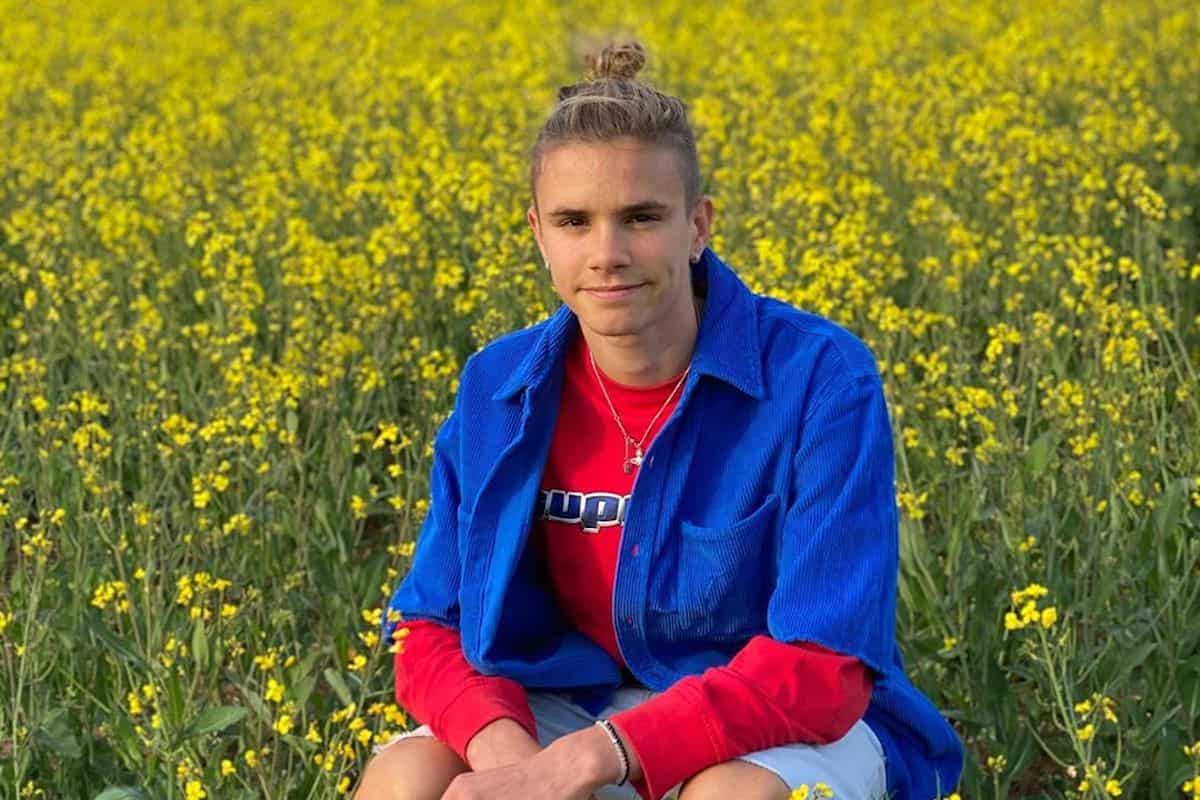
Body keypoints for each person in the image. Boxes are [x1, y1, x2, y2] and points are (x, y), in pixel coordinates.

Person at [357, 41, 963, 800]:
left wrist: (582, 764)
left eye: (642, 216)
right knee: (407, 779)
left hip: (769, 725)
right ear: (538, 234)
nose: (607, 253)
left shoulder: (818, 379)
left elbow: (823, 664)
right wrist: (510, 757)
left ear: (698, 225)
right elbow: (428, 625)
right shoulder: (497, 387)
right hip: (566, 699)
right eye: (574, 221)